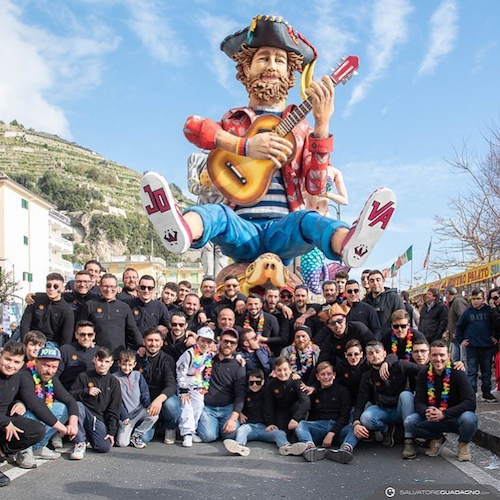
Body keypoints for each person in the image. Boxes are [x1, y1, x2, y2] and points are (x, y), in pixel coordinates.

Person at [141, 15, 395, 270]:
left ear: (290, 71)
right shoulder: (234, 120)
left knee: (309, 220)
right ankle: (182, 230)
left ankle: (348, 244)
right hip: (239, 226)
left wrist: (321, 125)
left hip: (283, 229)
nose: (271, 66)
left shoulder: (301, 128)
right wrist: (245, 146)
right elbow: (192, 127)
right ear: (246, 68)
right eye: (263, 58)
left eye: (280, 60)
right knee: (215, 215)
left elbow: (316, 186)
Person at [0, 342, 69, 478]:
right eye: (7, 359)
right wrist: (5, 422)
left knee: (36, 430)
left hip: (4, 422)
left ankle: (2, 452)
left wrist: (19, 403)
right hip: (4, 422)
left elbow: (24, 398)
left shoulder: (17, 377)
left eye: (16, 362)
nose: (11, 365)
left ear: (21, 364)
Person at [404, 340, 477, 461]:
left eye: (442, 355)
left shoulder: (458, 372)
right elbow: (419, 400)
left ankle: (463, 443)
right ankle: (437, 438)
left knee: (469, 418)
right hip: (433, 418)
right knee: (410, 422)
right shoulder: (424, 373)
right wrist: (426, 411)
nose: (438, 359)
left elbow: (470, 402)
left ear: (448, 356)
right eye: (434, 355)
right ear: (429, 356)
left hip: (455, 417)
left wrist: (444, 414)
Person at [352, 341, 420, 458]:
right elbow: (360, 402)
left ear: (384, 354)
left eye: (378, 352)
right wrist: (356, 423)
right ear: (367, 357)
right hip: (383, 409)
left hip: (401, 409)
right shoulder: (367, 376)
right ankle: (387, 430)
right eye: (371, 353)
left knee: (406, 395)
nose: (375, 355)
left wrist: (452, 366)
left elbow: (422, 369)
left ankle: (409, 440)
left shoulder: (399, 365)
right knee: (366, 418)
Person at [14, 346, 78, 464]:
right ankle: (23, 449)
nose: (50, 371)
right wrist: (63, 429)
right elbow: (35, 405)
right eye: (46, 365)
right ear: (36, 362)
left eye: (54, 367)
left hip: (37, 416)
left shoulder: (51, 378)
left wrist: (73, 424)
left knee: (63, 408)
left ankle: (38, 446)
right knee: (28, 412)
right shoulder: (24, 375)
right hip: (18, 418)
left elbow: (70, 401)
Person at [223, 368, 305, 457]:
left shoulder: (267, 392)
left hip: (265, 427)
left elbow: (277, 388)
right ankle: (240, 446)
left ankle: (286, 447)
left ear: (263, 382)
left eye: (257, 382)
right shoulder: (245, 393)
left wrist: (293, 374)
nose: (254, 385)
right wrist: (240, 413)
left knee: (279, 433)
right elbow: (238, 403)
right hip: (250, 426)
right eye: (251, 382)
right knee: (241, 430)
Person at [69, 346, 122, 460]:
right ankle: (79, 443)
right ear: (94, 360)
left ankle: (89, 436)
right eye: (100, 360)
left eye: (106, 361)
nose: (102, 364)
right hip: (84, 411)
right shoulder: (84, 376)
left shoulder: (113, 382)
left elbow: (114, 408)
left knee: (103, 447)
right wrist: (85, 391)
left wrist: (111, 432)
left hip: (98, 418)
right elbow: (71, 395)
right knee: (77, 406)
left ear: (111, 363)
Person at [197, 328, 246, 443]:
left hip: (227, 407)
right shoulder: (207, 358)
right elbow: (197, 344)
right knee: (208, 436)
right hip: (207, 407)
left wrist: (233, 419)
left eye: (232, 342)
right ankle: (214, 429)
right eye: (225, 341)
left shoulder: (239, 365)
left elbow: (240, 394)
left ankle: (220, 428)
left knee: (232, 435)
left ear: (236, 345)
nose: (228, 345)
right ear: (219, 341)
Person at [80, 273, 143, 362]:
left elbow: (133, 329)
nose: (109, 289)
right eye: (105, 286)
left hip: (118, 356)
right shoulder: (90, 305)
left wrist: (141, 345)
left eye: (112, 286)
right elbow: (81, 328)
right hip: (95, 356)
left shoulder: (124, 307)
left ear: (117, 288)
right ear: (100, 287)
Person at [296, 361, 351, 462]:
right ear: (317, 377)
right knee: (301, 424)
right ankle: (310, 448)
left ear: (334, 375)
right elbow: (311, 413)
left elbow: (345, 416)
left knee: (355, 428)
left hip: (337, 429)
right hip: (319, 427)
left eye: (329, 374)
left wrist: (332, 433)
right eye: (323, 374)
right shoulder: (314, 392)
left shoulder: (342, 391)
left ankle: (345, 450)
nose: (326, 377)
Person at [136, 328, 178, 445]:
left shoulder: (167, 359)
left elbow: (171, 385)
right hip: (144, 401)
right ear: (144, 342)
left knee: (171, 404)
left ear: (161, 342)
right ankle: (155, 424)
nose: (153, 344)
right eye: (150, 340)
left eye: (156, 340)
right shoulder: (137, 358)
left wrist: (158, 401)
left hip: (161, 399)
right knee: (143, 438)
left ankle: (170, 427)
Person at [176, 327, 216, 447]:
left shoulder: (208, 353)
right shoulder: (189, 354)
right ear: (197, 340)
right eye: (203, 340)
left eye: (209, 342)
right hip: (185, 380)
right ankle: (186, 434)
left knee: (199, 404)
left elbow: (224, 350)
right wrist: (183, 389)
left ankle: (192, 429)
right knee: (186, 406)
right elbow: (180, 371)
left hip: (197, 380)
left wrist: (239, 357)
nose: (205, 344)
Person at [456, 289, 498, 402]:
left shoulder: (489, 311)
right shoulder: (467, 312)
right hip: (472, 347)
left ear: (483, 299)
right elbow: (459, 327)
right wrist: (461, 340)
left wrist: (496, 337)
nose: (475, 301)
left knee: (486, 372)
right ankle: (472, 393)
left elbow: (496, 324)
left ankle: (486, 393)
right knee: (472, 372)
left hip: (487, 346)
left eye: (478, 299)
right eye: (473, 299)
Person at [263, 357, 310, 455]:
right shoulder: (271, 384)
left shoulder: (296, 381)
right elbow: (268, 404)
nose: (282, 373)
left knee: (299, 405)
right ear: (274, 371)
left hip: (295, 412)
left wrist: (296, 419)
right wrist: (270, 423)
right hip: (281, 412)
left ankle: (301, 443)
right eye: (279, 370)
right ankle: (287, 446)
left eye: (285, 369)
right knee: (280, 432)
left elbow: (306, 402)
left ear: (290, 370)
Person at [113, 350, 158, 449]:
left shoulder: (138, 375)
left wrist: (148, 406)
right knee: (122, 444)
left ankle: (136, 435)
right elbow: (116, 401)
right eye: (124, 364)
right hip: (126, 415)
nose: (127, 368)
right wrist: (124, 415)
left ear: (134, 364)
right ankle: (124, 431)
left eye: (130, 365)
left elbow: (144, 393)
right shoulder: (114, 378)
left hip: (139, 410)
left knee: (154, 415)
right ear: (119, 363)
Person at [20, 272, 74, 347]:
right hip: (31, 338)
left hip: (51, 342)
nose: (51, 289)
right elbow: (25, 323)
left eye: (55, 286)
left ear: (62, 289)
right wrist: (25, 343)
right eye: (48, 286)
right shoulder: (36, 299)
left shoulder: (66, 310)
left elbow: (66, 337)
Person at [57, 320, 100, 390]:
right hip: (69, 392)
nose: (86, 338)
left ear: (94, 336)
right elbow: (56, 376)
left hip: (92, 393)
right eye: (82, 334)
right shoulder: (66, 350)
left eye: (90, 335)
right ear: (76, 335)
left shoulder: (98, 352)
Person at [444, 286, 469, 363]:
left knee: (462, 359)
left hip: (460, 336)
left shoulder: (458, 301)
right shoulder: (452, 303)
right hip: (455, 336)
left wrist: (457, 331)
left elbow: (463, 318)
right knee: (455, 359)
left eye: (445, 294)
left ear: (448, 293)